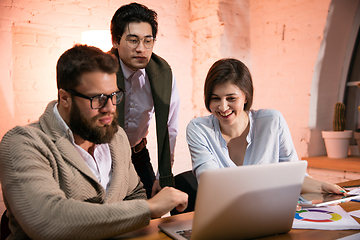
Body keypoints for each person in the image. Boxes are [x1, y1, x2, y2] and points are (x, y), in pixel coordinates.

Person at [0, 45, 187, 240]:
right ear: (65, 98)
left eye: (114, 96)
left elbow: (134, 194)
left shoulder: (117, 137)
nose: (110, 108)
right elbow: (47, 220)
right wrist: (150, 207)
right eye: (98, 98)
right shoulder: (23, 142)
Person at [186, 58, 345, 194]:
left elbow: (293, 175)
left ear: (246, 97)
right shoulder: (199, 130)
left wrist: (322, 186)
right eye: (215, 98)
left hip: (269, 212)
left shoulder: (272, 122)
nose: (223, 106)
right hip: (226, 218)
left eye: (231, 98)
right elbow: (211, 186)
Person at [109, 3, 180, 199]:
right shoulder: (100, 72)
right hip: (106, 156)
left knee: (152, 214)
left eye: (148, 41)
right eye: (133, 40)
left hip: (138, 155)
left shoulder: (162, 74)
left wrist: (162, 175)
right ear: (116, 40)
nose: (141, 49)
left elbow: (170, 126)